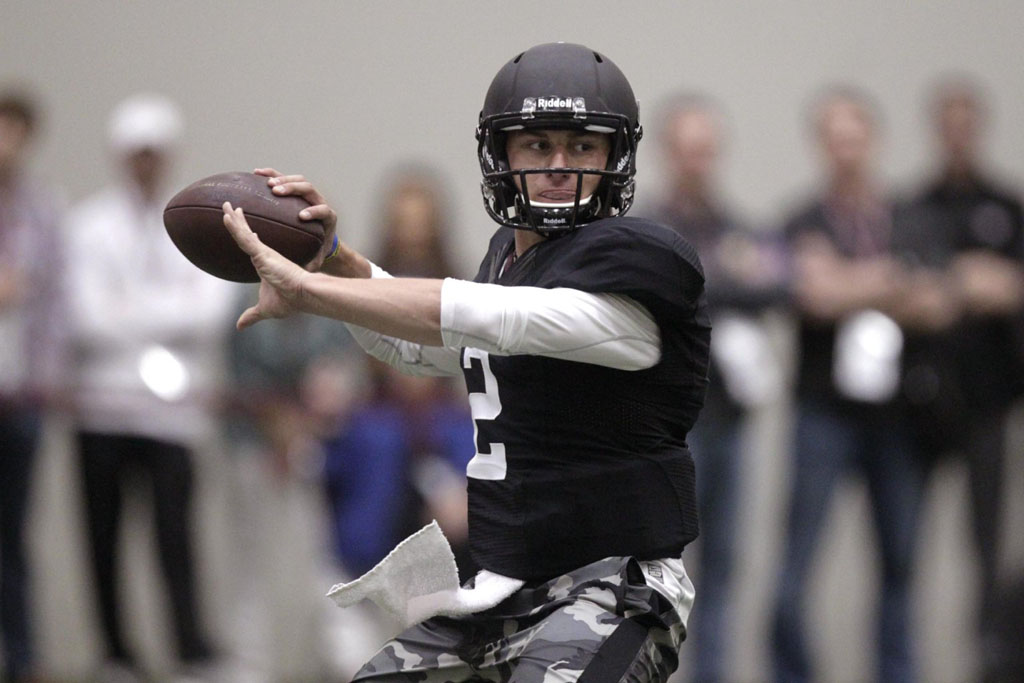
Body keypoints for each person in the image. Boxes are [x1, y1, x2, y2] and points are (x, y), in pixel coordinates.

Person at [220, 42, 711, 681]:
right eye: (537, 146)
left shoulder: (634, 270)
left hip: (610, 589)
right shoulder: (509, 258)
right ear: (499, 155)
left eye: (582, 147)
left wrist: (310, 289)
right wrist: (334, 258)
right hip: (505, 588)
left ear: (615, 158)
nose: (559, 165)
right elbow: (421, 348)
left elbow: (491, 318)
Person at [62, 93, 236, 681]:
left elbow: (210, 311)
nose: (146, 163)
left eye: (154, 153)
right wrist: (165, 312)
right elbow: (85, 319)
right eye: (136, 153)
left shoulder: (191, 223)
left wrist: (128, 311)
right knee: (103, 540)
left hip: (172, 414)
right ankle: (115, 653)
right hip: (101, 410)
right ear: (120, 155)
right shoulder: (87, 225)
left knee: (176, 537)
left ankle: (189, 649)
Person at [770, 87, 926, 683]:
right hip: (822, 412)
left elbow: (939, 299)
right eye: (833, 138)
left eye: (855, 137)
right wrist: (892, 277)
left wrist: (848, 280)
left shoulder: (910, 216)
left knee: (900, 565)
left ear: (875, 141)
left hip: (898, 415)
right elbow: (811, 294)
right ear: (819, 146)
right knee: (796, 565)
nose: (846, 151)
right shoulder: (801, 219)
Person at [642, 95, 787, 683]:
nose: (697, 159)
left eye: (707, 147)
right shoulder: (646, 227)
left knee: (724, 568)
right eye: (687, 147)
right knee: (657, 570)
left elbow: (777, 285)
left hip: (730, 419)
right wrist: (729, 274)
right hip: (664, 429)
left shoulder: (737, 225)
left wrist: (716, 278)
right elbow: (661, 292)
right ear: (667, 152)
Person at [903, 76, 1024, 682]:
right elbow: (908, 290)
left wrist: (999, 286)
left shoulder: (1006, 207)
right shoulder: (913, 206)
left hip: (990, 404)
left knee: (987, 547)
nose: (957, 133)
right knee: (904, 549)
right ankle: (904, 666)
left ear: (977, 128)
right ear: (936, 129)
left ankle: (988, 664)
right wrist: (959, 285)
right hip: (920, 407)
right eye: (946, 121)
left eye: (966, 121)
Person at [0, 89, 65, 683]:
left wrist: (47, 385)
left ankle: (23, 658)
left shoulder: (43, 212)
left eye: (13, 130)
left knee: (14, 534)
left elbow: (54, 309)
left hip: (21, 397)